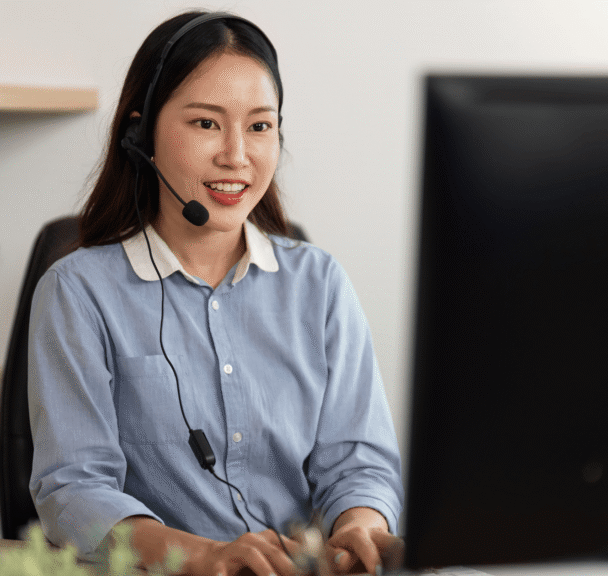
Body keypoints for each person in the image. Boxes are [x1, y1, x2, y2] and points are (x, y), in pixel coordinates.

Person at [27, 11, 403, 576]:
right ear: (141, 135)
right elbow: (75, 490)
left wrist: (360, 527)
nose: (237, 155)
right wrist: (205, 556)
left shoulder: (319, 284)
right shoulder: (78, 293)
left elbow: (359, 463)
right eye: (206, 123)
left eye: (260, 126)